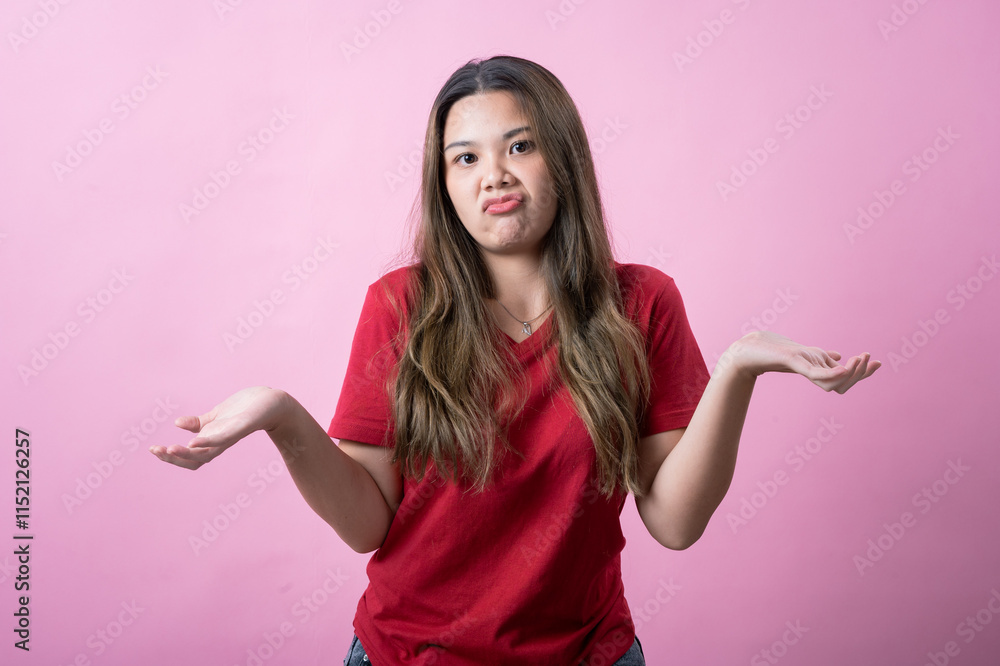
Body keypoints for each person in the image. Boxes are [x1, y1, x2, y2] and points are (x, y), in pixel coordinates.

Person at [150, 55, 880, 665]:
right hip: (409, 655)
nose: (493, 174)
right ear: (444, 185)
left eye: (520, 147)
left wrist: (738, 370)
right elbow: (368, 525)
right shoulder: (399, 306)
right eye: (465, 158)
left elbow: (675, 521)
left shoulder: (643, 303)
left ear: (565, 159)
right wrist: (281, 416)